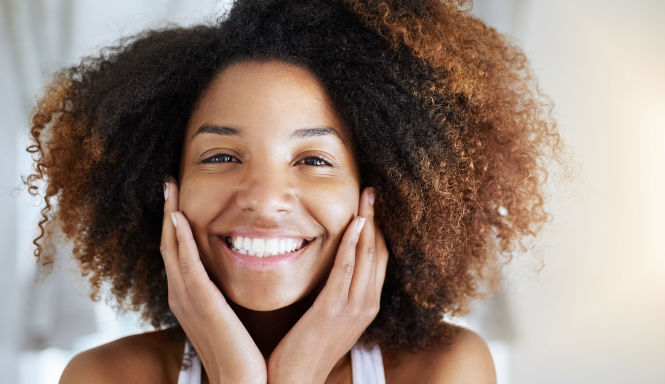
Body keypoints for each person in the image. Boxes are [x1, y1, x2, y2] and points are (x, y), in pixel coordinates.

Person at [25, 0, 560, 382]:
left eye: (312, 160)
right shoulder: (106, 377)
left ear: (381, 192)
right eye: (221, 157)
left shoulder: (444, 369)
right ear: (164, 186)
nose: (263, 197)